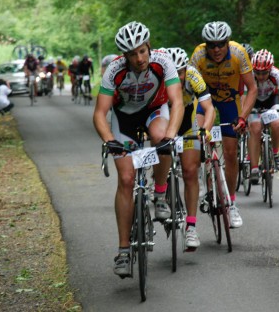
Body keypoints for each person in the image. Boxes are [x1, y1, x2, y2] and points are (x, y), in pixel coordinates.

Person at [93, 21, 184, 276]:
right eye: (132, 54)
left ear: (149, 47)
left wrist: (171, 134)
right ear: (125, 55)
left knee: (161, 139)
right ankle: (123, 250)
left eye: (142, 51)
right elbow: (100, 113)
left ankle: (159, 193)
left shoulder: (163, 62)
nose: (139, 58)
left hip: (155, 110)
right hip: (124, 119)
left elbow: (177, 102)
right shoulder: (114, 70)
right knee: (125, 178)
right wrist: (109, 139)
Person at [189, 21, 258, 228]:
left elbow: (252, 89)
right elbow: (188, 85)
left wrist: (243, 117)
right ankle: (203, 178)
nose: (216, 49)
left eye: (221, 44)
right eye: (211, 45)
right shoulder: (198, 55)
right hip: (204, 100)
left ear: (227, 42)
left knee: (230, 152)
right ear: (206, 45)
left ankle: (231, 203)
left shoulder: (238, 54)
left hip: (230, 101)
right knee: (196, 138)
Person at [166, 47, 216, 250]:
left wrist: (205, 129)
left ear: (185, 69)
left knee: (189, 171)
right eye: (173, 73)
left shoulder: (193, 76)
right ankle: (159, 187)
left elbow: (209, 108)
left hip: (187, 121)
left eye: (180, 72)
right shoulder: (158, 77)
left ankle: (191, 228)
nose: (177, 78)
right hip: (164, 119)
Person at [246, 49, 279, 184]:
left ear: (270, 69)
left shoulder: (277, 75)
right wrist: (242, 118)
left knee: (277, 124)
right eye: (258, 73)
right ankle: (254, 168)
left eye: (264, 73)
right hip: (253, 101)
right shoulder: (249, 75)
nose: (260, 76)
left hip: (271, 100)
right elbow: (243, 100)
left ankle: (275, 153)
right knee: (255, 128)